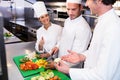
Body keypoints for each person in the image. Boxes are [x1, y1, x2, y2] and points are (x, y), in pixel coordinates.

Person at [55, 0, 120, 80]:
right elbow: (97, 51)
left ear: (99, 1)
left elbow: (102, 76)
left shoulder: (113, 27)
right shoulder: (103, 21)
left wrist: (69, 70)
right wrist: (82, 56)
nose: (86, 4)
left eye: (88, 0)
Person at [48, 0, 92, 68]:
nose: (70, 13)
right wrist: (58, 46)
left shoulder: (84, 28)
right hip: (59, 61)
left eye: (74, 9)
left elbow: (77, 55)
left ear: (81, 7)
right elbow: (64, 38)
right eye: (68, 9)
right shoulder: (67, 20)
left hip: (71, 68)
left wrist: (57, 64)